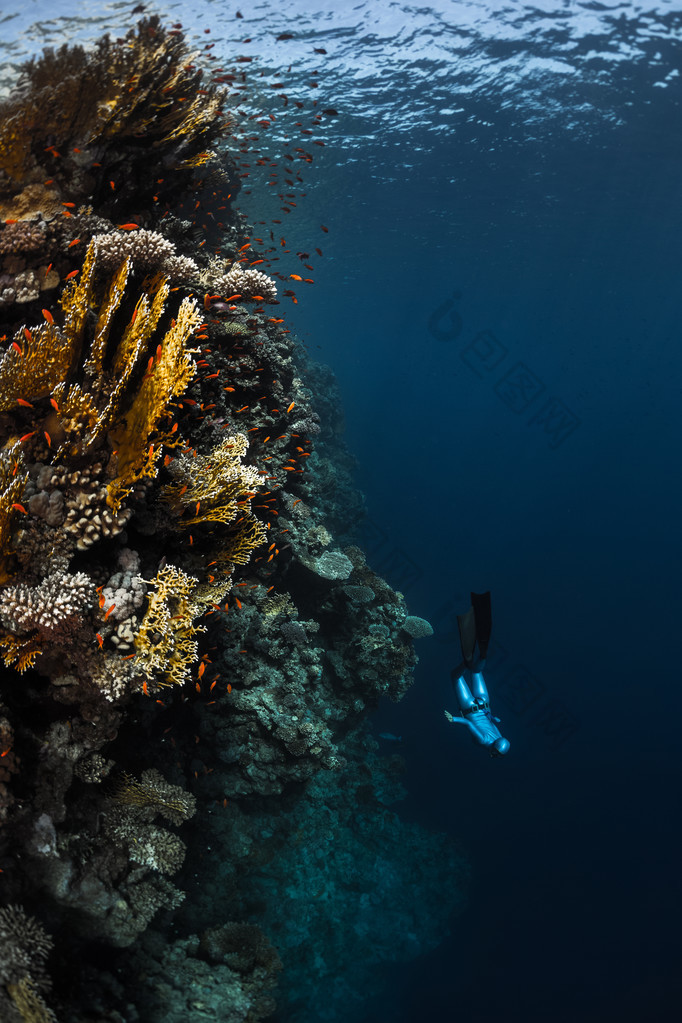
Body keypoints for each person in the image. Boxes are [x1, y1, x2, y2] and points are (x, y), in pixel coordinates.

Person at [444, 591, 510, 758]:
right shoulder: (484, 742)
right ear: (495, 747)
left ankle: (483, 655)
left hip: (485, 703)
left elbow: (492, 723)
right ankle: (466, 662)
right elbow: (467, 723)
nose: (493, 755)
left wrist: (494, 719)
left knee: (477, 670)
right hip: (469, 707)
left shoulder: (500, 737)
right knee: (456, 676)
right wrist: (454, 720)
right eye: (495, 753)